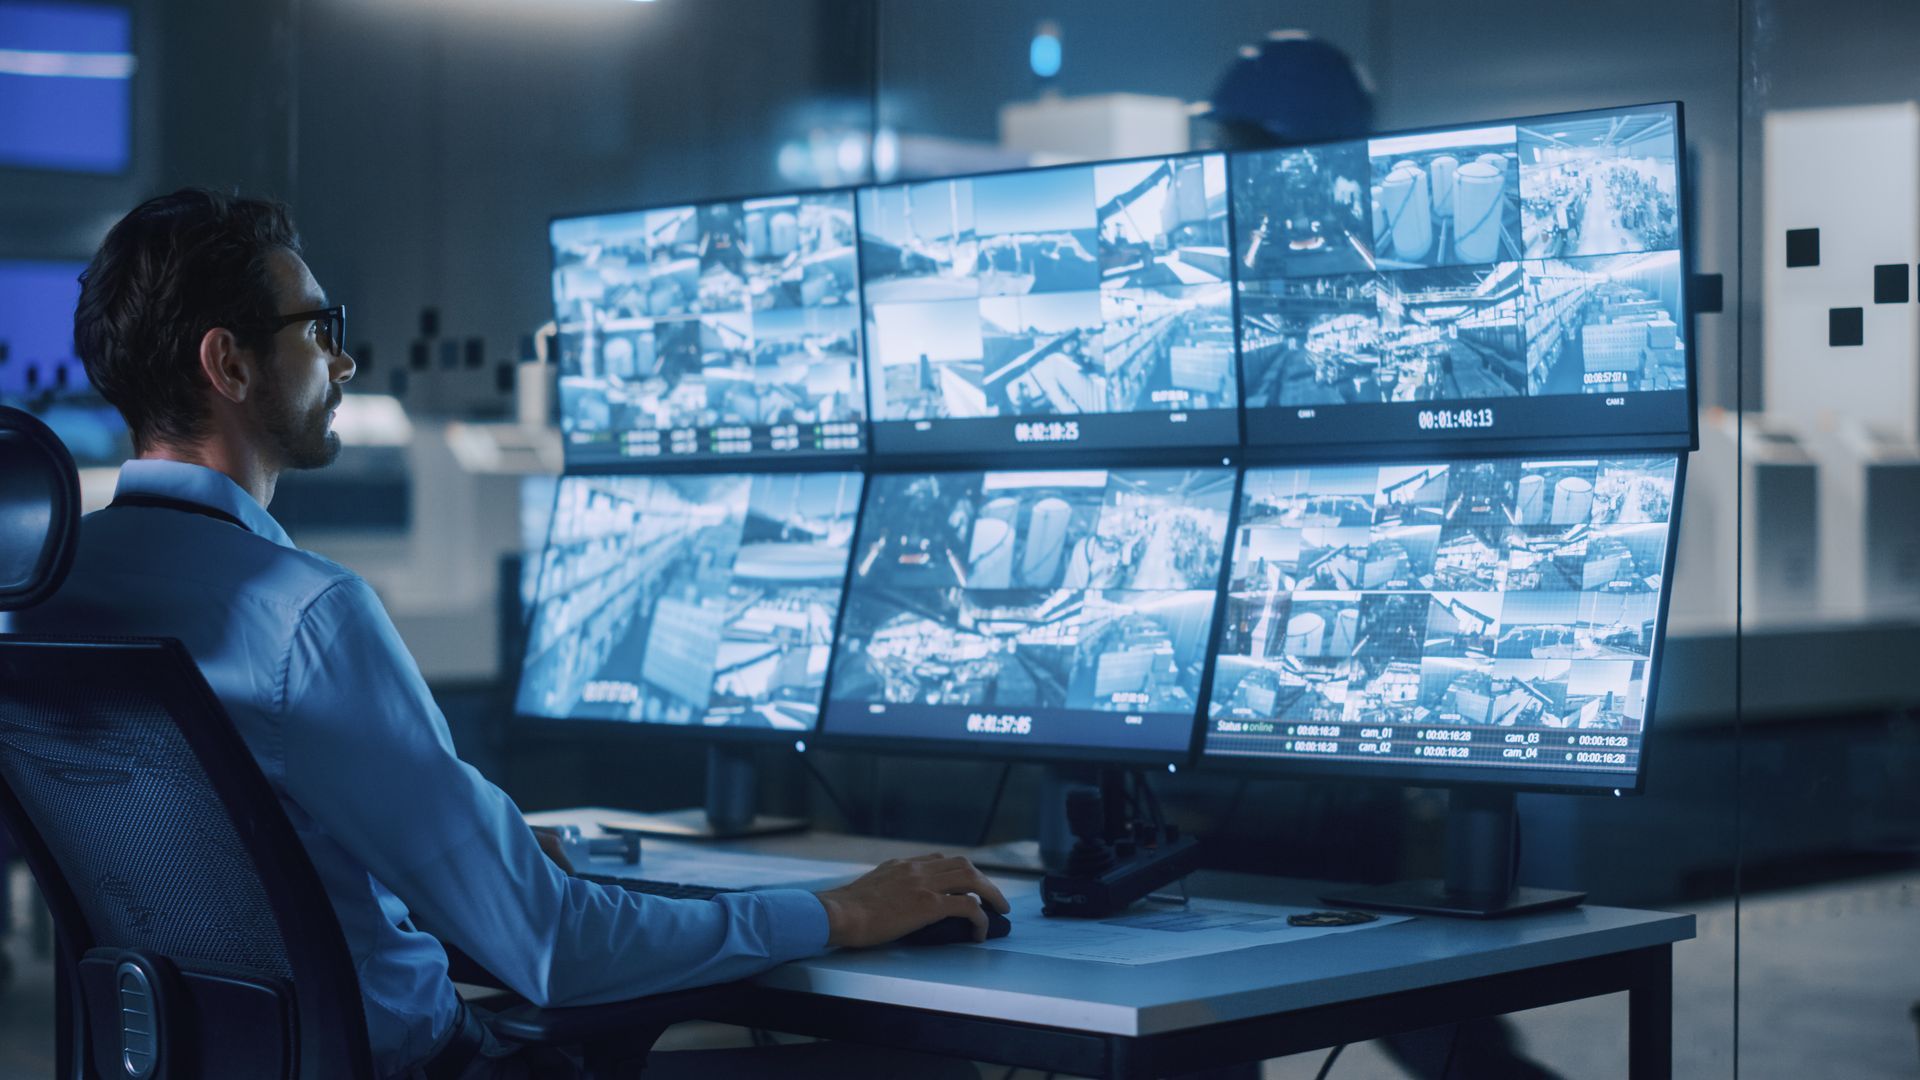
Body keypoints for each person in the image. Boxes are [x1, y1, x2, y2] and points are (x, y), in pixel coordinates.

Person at [10, 189, 1004, 1079]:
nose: (345, 360)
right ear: (228, 362)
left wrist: (483, 859)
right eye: (321, 329)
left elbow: (238, 867)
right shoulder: (307, 615)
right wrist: (843, 910)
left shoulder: (53, 599)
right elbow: (555, 948)